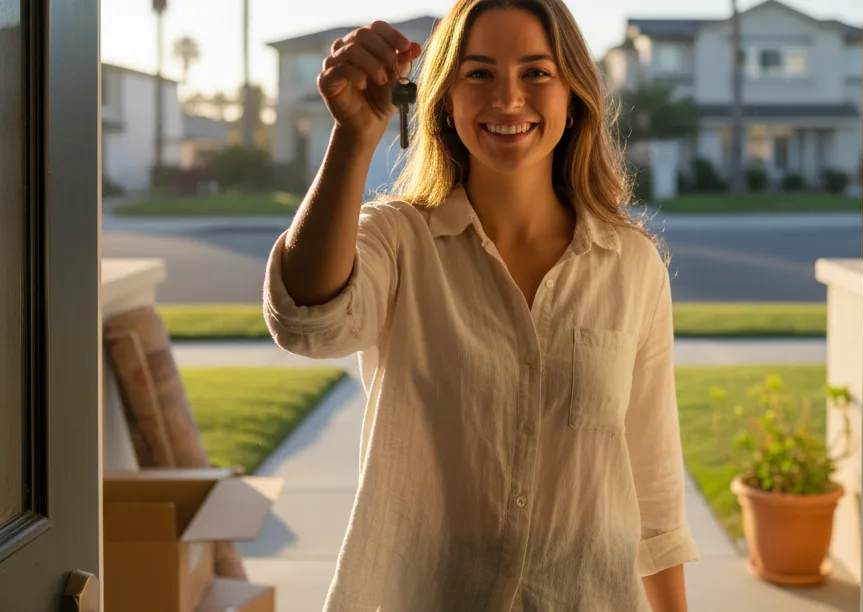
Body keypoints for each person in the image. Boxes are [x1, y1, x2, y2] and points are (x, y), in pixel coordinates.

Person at [262, 0, 700, 609]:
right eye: (479, 73)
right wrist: (353, 137)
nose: (508, 98)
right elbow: (309, 322)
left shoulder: (632, 264)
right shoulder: (398, 238)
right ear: (444, 98)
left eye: (536, 72)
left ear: (574, 94)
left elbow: (653, 490)